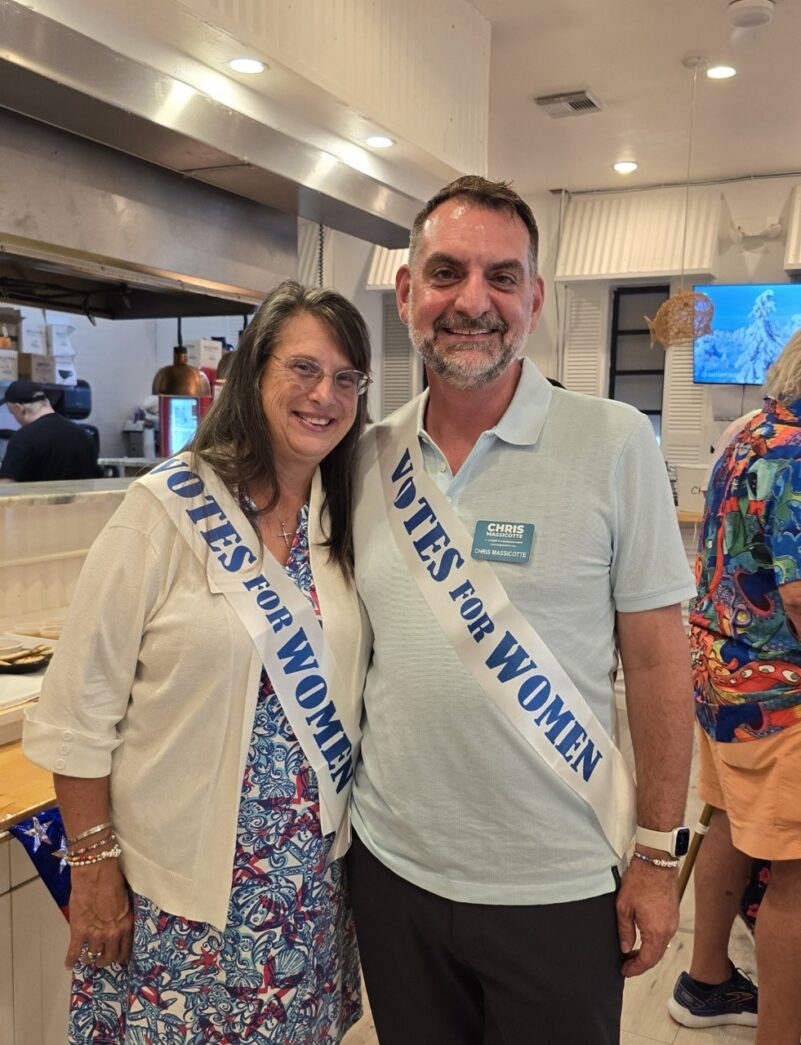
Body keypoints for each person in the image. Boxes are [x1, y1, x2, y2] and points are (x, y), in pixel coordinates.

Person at [347, 175, 696, 1045]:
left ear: (534, 299)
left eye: (502, 277)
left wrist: (656, 855)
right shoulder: (363, 456)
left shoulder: (615, 442)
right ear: (406, 294)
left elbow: (658, 663)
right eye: (447, 272)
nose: (474, 300)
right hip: (392, 874)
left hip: (557, 885)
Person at [23, 280, 372, 1044]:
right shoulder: (164, 510)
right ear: (253, 374)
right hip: (173, 900)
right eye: (304, 369)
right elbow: (80, 708)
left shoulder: (344, 520)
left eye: (347, 378)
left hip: (304, 897)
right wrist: (95, 870)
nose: (326, 395)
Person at [668, 330, 801, 1044]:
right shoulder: (798, 451)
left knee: (728, 825)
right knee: (796, 876)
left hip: (721, 676)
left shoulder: (747, 432)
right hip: (779, 695)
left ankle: (707, 978)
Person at [0, 379, 101, 481]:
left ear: (19, 408)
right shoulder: (85, 436)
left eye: (13, 413)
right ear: (46, 402)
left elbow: (7, 485)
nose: (16, 419)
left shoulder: (23, 438)